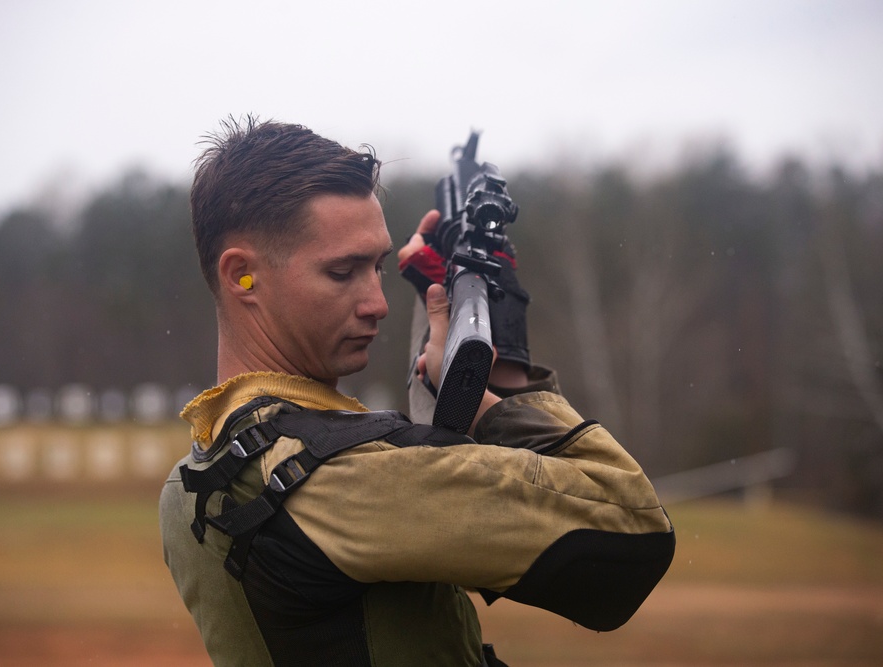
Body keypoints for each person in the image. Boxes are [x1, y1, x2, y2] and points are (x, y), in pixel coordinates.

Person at [159, 117, 675, 667]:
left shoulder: (195, 474)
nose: (376, 302)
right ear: (243, 276)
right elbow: (631, 527)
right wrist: (496, 406)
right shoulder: (339, 481)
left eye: (377, 267)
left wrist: (477, 354)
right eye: (342, 272)